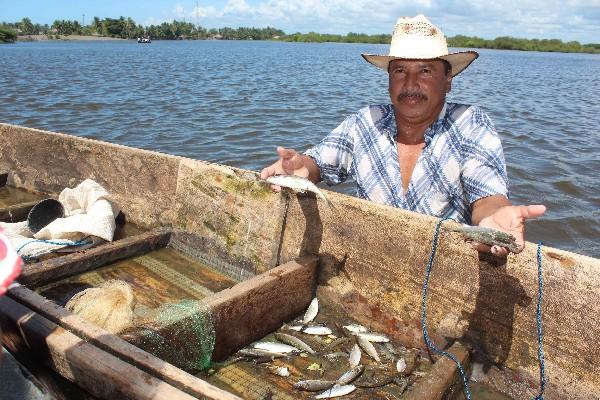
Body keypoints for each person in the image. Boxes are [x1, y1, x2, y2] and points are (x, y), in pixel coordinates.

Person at [260, 14, 545, 256]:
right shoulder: (366, 121)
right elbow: (319, 163)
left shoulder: (470, 124)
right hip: (374, 261)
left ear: (448, 81)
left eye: (425, 70)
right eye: (400, 70)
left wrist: (494, 218)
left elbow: (487, 196)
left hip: (446, 274)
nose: (410, 84)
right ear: (388, 79)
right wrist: (299, 168)